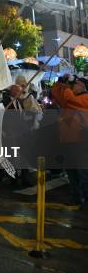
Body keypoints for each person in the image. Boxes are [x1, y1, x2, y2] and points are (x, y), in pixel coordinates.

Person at [51, 75, 88, 208]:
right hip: (68, 141)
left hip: (81, 142)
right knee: (72, 172)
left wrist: (67, 86)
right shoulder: (71, 99)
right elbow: (55, 94)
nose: (73, 86)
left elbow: (69, 99)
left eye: (76, 84)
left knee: (83, 173)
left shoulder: (84, 99)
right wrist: (60, 82)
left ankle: (85, 199)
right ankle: (76, 196)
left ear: (83, 86)